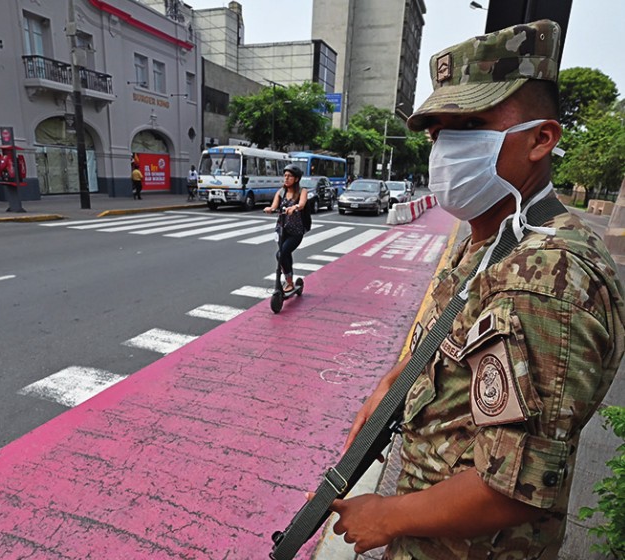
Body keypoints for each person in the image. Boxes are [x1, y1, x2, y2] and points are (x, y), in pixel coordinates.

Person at [322, 20, 625, 559]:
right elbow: (449, 346)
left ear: (542, 138)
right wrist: (393, 387)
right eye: (439, 132)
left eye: (471, 125)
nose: (445, 148)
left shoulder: (545, 282)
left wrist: (385, 516)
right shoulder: (492, 236)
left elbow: (518, 487)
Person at [264, 164, 308, 292]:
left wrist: (294, 207)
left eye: (290, 176)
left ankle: (289, 282)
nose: (286, 178)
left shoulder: (302, 191)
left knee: (281, 254)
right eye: (285, 176)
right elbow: (274, 206)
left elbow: (302, 204)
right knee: (285, 255)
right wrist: (270, 209)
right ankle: (290, 281)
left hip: (296, 232)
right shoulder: (281, 192)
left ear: (296, 179)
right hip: (282, 230)